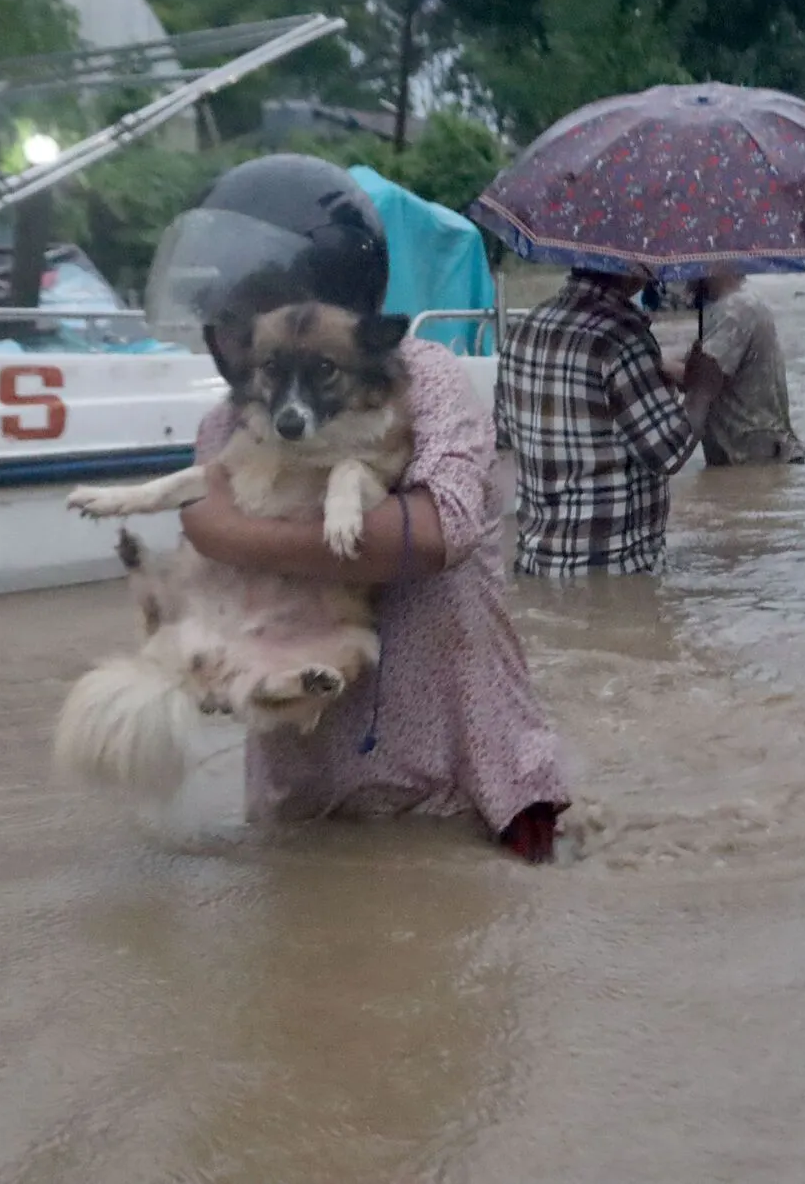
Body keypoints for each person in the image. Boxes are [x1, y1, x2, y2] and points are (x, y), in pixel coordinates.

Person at [147, 154, 570, 863]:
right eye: (218, 318)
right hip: (310, 791)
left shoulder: (427, 376)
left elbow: (440, 532)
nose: (222, 336)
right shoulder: (230, 421)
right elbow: (218, 580)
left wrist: (227, 530)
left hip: (463, 783)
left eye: (239, 312)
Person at [494, 267, 720, 576]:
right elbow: (670, 451)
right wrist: (702, 391)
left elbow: (505, 436)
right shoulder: (623, 337)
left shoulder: (524, 329)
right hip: (615, 569)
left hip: (537, 563)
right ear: (628, 266)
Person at [684, 269, 805, 466]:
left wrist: (653, 365)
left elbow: (705, 378)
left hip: (751, 459)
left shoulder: (734, 310)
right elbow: (697, 361)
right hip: (764, 453)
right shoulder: (741, 303)